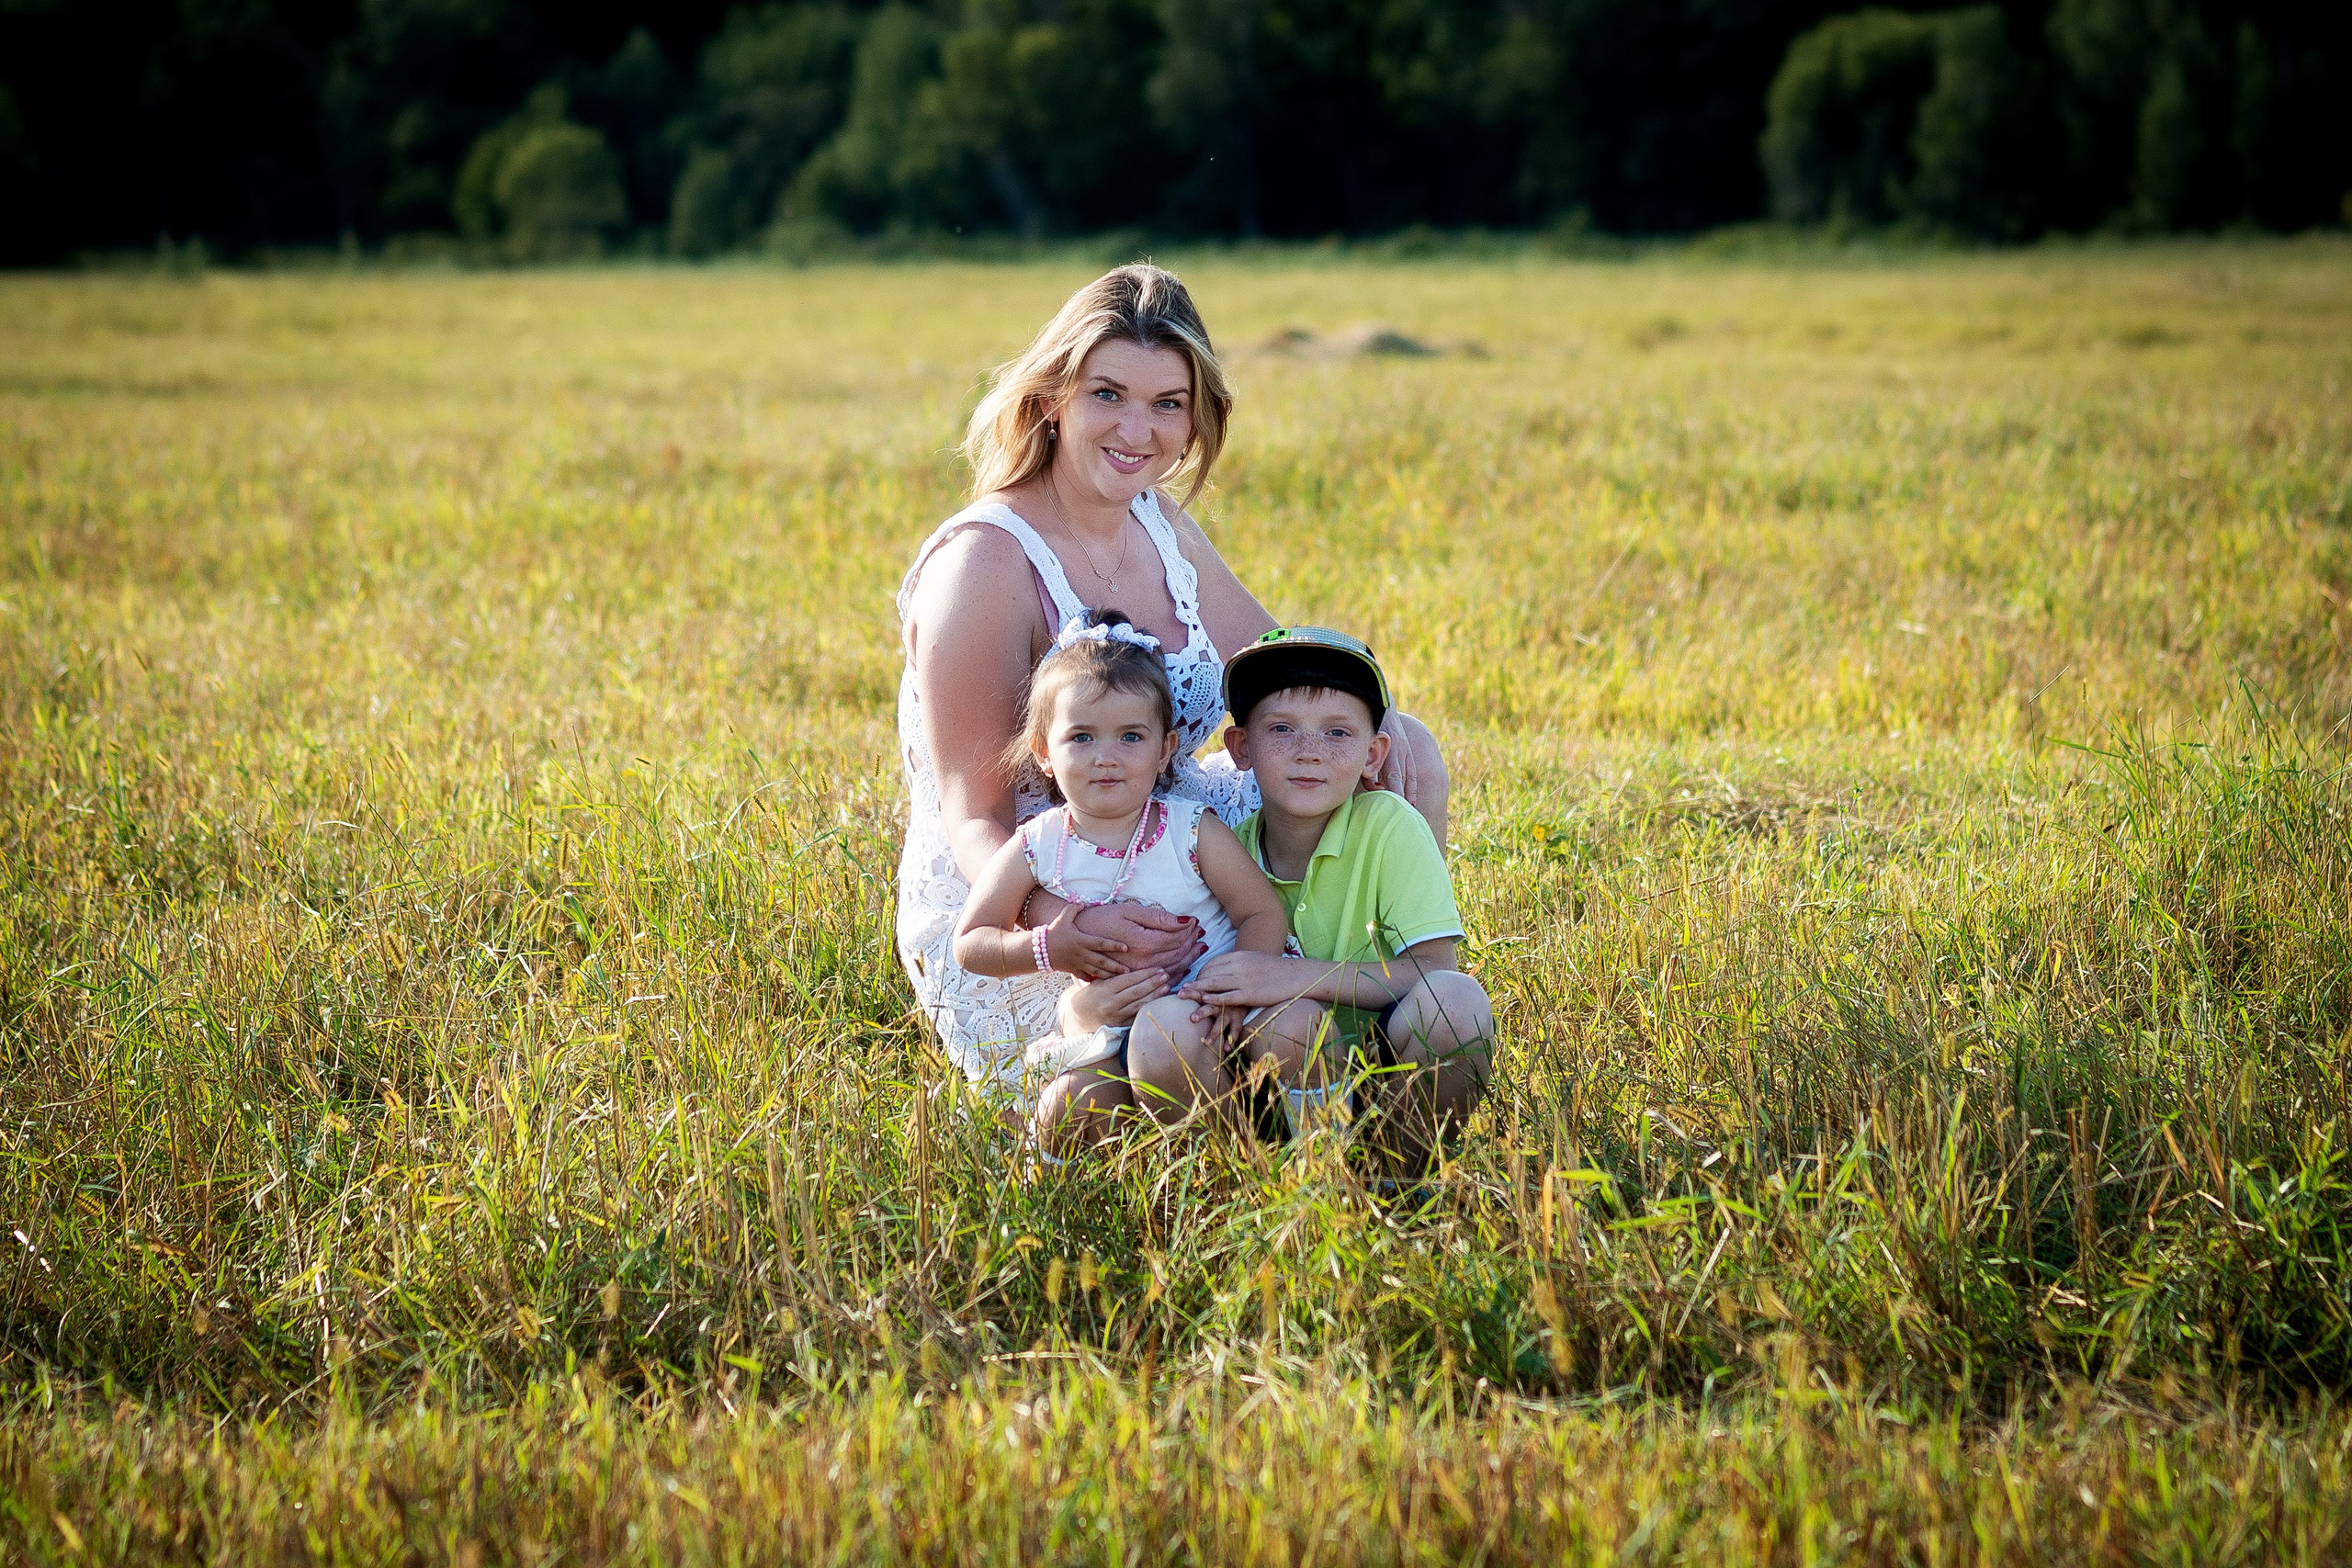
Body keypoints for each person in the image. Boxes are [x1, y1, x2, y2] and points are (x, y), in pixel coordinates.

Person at [896, 263, 1449, 1108]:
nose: (1137, 429)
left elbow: (1270, 658)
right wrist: (1063, 925)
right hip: (1048, 874)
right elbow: (974, 816)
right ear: (1053, 398)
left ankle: (1380, 1008)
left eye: (1167, 403)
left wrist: (1383, 715)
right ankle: (1213, 1072)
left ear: (1196, 418)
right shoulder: (985, 562)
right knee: (1114, 1088)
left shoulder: (1157, 520)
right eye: (1107, 394)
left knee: (1413, 749)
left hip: (1169, 820)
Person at [952, 610, 1299, 1151]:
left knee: (1169, 1039)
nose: (1106, 758)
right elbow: (972, 943)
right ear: (1044, 751)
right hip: (1109, 1019)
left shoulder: (1189, 830)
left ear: (1164, 751)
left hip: (1206, 1016)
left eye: (1131, 737)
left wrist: (1237, 990)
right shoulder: (1037, 845)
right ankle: (1092, 1214)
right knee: (1062, 1109)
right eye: (1082, 737)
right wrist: (1053, 947)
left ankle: (1232, 1175)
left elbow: (1262, 912)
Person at [1154, 626, 1495, 1172]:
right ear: (1241, 748)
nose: (1309, 752)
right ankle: (1267, 1190)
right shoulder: (1223, 853)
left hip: (1384, 1071)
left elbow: (1435, 971)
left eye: (1337, 733)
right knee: (1271, 1025)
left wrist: (1293, 977)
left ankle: (1394, 1186)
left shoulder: (1389, 828)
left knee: (1459, 1005)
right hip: (1265, 1082)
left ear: (1373, 754)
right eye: (1283, 729)